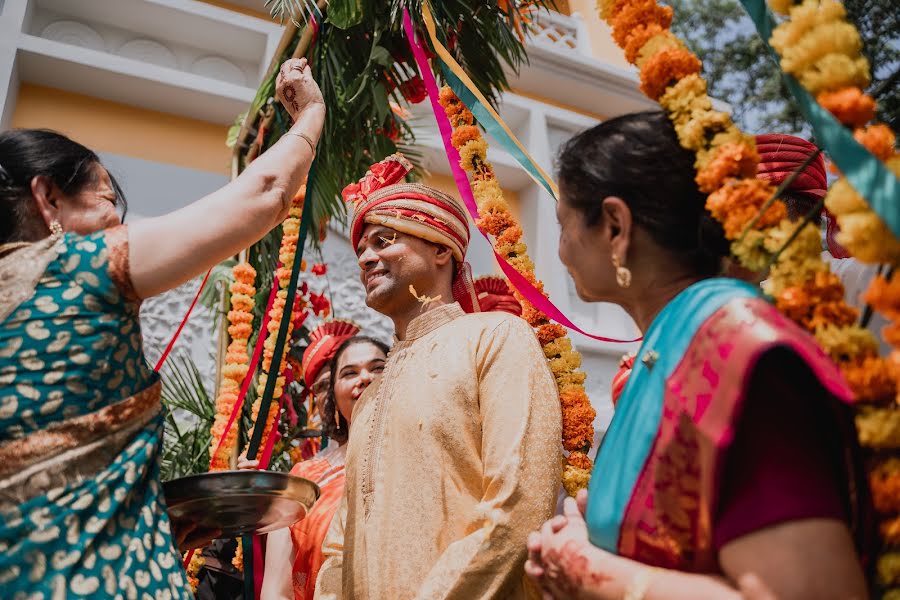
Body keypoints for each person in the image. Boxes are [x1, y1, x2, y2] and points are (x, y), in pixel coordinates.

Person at [0, 57, 324, 597]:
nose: (117, 223)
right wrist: (311, 115)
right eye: (107, 199)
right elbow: (266, 193)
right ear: (47, 198)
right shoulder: (77, 267)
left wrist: (149, 523)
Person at [525, 111, 871, 599]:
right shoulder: (666, 349)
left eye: (564, 225)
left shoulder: (739, 349)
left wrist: (587, 569)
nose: (560, 251)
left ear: (615, 227)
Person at [314, 155, 562, 599]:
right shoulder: (370, 397)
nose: (367, 257)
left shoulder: (497, 337)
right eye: (362, 249)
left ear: (441, 249)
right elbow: (339, 546)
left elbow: (519, 502)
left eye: (383, 240)